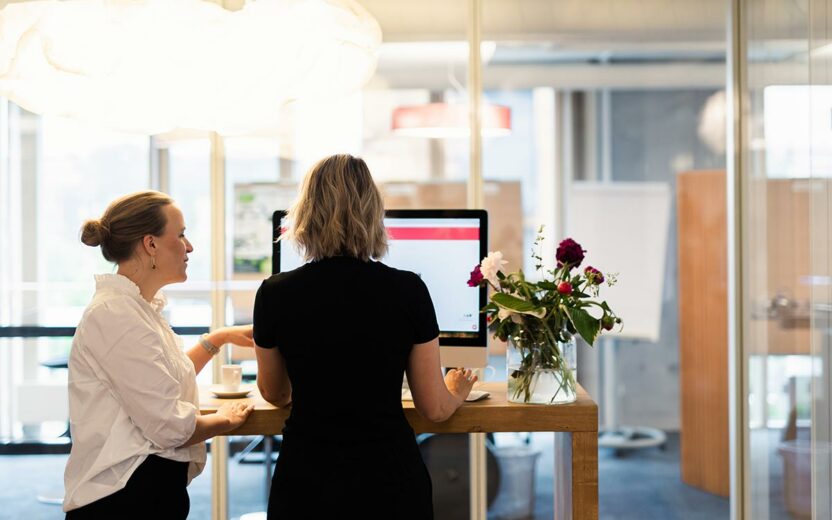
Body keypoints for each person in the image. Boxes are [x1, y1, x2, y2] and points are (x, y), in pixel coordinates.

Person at [253, 154, 477, 519]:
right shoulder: (408, 290)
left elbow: (275, 393)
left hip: (307, 483)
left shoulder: (274, 293)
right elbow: (434, 409)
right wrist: (457, 390)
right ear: (373, 213)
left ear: (306, 214)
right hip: (388, 482)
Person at [63, 191, 255, 519]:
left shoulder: (135, 308)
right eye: (180, 235)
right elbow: (169, 426)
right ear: (150, 244)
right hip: (124, 497)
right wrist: (227, 419)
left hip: (140, 490)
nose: (189, 246)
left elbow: (158, 382)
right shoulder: (116, 314)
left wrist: (216, 339)